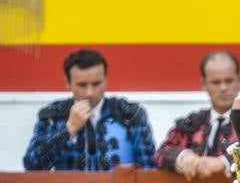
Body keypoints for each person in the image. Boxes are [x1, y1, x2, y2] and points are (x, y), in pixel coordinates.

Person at [23, 49, 156, 171]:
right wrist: (68, 130)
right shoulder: (53, 115)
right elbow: (32, 165)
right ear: (68, 83)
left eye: (97, 83)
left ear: (105, 80)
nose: (90, 92)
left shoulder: (129, 113)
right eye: (82, 85)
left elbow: (149, 168)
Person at [156, 51, 240, 180]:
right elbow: (162, 153)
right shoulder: (191, 124)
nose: (223, 88)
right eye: (215, 82)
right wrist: (183, 157)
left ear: (239, 81)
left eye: (229, 80)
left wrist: (225, 162)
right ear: (204, 84)